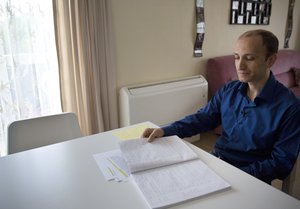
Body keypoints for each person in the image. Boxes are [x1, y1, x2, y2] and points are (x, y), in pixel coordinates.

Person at [142, 29, 300, 184]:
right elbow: (203, 118)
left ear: (270, 60)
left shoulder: (290, 107)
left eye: (249, 58)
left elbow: (281, 163)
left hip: (250, 179)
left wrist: (233, 176)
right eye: (237, 57)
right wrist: (165, 130)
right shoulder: (229, 90)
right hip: (215, 163)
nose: (240, 65)